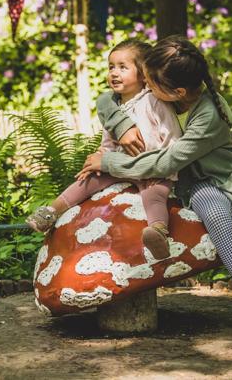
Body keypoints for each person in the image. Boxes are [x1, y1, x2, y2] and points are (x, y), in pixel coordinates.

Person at [77, 35, 232, 349]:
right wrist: (121, 125)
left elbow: (168, 160)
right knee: (215, 215)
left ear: (177, 91)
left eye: (151, 83)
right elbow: (106, 97)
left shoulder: (209, 114)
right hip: (201, 185)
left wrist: (109, 161)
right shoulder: (163, 97)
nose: (146, 87)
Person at [26, 38, 182, 260]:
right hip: (119, 165)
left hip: (152, 170)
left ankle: (157, 232)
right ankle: (51, 211)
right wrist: (99, 158)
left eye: (122, 67)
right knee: (87, 180)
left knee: (154, 195)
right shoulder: (114, 107)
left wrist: (164, 172)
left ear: (143, 73)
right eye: (111, 67)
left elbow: (172, 139)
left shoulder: (155, 102)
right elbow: (108, 141)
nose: (114, 73)